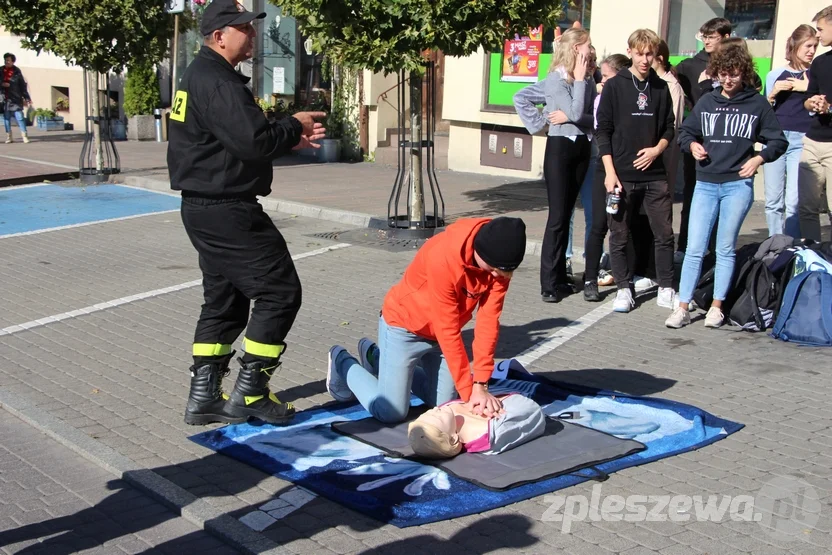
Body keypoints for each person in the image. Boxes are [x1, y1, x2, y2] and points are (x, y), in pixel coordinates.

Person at [167, 0, 326, 426]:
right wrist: (293, 125)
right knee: (279, 292)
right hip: (226, 210)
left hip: (206, 207)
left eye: (252, 27)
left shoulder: (205, 75)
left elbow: (236, 139)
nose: (252, 34)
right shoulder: (217, 80)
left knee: (226, 301)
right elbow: (252, 141)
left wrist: (287, 137)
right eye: (244, 28)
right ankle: (250, 394)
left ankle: (204, 398)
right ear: (219, 37)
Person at [326, 217, 527, 424]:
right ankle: (341, 360)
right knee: (391, 411)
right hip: (404, 328)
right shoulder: (443, 257)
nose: (497, 275)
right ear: (479, 250)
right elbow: (447, 329)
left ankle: (375, 357)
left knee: (444, 403)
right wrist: (470, 395)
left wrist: (481, 384)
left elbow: (488, 323)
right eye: (494, 269)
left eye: (503, 271)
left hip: (438, 337)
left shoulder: (500, 266)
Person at [667, 41, 787, 329]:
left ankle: (717, 307)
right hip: (706, 183)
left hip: (737, 185)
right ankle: (682, 306)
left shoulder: (756, 103)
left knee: (724, 248)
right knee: (694, 248)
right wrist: (693, 145)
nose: (729, 79)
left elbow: (778, 141)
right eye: (723, 73)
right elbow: (686, 132)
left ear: (743, 72)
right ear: (716, 73)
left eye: (734, 73)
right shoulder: (708, 101)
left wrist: (758, 159)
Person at [596, 29, 677, 314]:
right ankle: (623, 289)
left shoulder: (661, 87)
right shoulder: (615, 86)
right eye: (640, 53)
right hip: (622, 175)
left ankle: (666, 286)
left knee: (664, 233)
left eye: (650, 54)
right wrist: (609, 172)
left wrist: (657, 149)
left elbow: (670, 126)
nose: (645, 59)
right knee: (618, 234)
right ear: (630, 52)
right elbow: (602, 131)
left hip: (655, 175)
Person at [513, 28, 595, 304]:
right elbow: (573, 111)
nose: (590, 51)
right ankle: (548, 283)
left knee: (569, 213)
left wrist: (577, 109)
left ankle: (561, 278)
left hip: (582, 147)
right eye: (587, 46)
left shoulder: (588, 78)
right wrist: (542, 125)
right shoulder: (556, 79)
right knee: (558, 218)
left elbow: (590, 117)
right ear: (575, 49)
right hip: (560, 150)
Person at [675, 18, 732, 261]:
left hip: (727, 142)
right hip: (698, 140)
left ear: (726, 37)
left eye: (713, 36)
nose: (707, 40)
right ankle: (684, 246)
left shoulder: (733, 65)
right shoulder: (689, 65)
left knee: (723, 200)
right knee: (692, 195)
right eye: (704, 36)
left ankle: (715, 250)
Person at [582, 53, 631, 300]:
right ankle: (590, 278)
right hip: (604, 165)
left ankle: (626, 278)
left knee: (625, 226)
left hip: (629, 167)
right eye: (601, 76)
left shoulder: (632, 97)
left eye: (607, 76)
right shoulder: (602, 99)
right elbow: (602, 134)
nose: (601, 81)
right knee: (598, 225)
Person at [764, 24, 818, 239]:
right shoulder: (776, 74)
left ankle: (793, 246)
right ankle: (776, 245)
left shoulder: (816, 75)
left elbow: (819, 109)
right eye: (808, 46)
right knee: (772, 200)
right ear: (795, 46)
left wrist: (806, 88)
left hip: (802, 139)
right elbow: (764, 112)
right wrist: (775, 91)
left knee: (794, 201)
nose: (812, 51)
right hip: (776, 139)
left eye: (815, 46)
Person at [408, 394, 546, 458]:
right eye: (436, 417)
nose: (434, 410)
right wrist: (494, 402)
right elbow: (530, 408)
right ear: (453, 438)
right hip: (516, 401)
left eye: (426, 413)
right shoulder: (490, 435)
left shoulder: (447, 411)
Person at [563, 46, 599, 278]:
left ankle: (591, 262)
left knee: (593, 213)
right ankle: (565, 260)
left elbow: (596, 119)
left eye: (594, 60)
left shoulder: (595, 84)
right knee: (566, 212)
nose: (591, 64)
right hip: (567, 153)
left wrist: (570, 117)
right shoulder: (563, 81)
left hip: (592, 154)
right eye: (587, 59)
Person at [799, 5, 832, 243]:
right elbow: (807, 100)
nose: (817, 35)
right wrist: (813, 103)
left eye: (821, 29)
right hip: (812, 141)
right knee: (807, 208)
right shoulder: (820, 63)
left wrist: (829, 108)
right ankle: (814, 254)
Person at [2, 53, 31, 144]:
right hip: (4, 98)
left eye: (8, 60)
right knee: (6, 118)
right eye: (5, 60)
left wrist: (26, 97)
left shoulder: (17, 71)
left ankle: (24, 136)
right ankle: (9, 136)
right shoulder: (0, 70)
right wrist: (2, 84)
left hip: (15, 97)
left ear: (13, 61)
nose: (6, 62)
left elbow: (22, 85)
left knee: (20, 117)